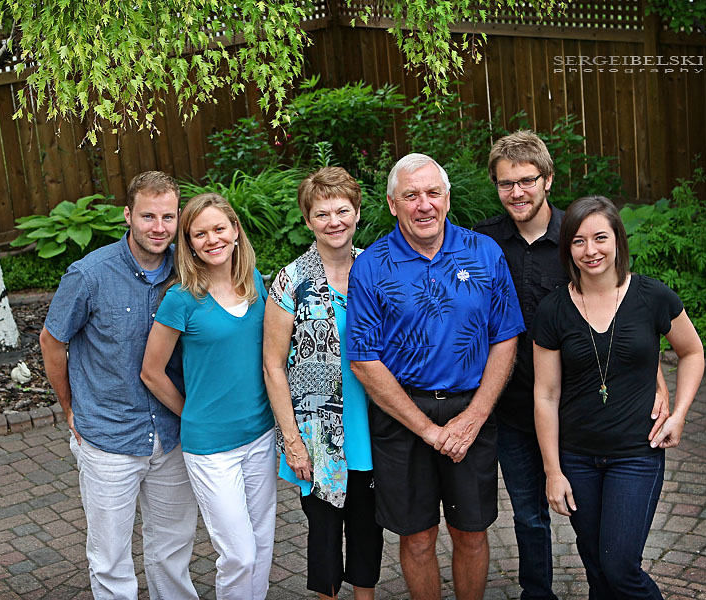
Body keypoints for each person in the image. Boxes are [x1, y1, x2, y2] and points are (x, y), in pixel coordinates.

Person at [474, 131, 670, 600]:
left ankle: (606, 584)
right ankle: (537, 593)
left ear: (547, 181)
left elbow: (628, 318)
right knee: (529, 512)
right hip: (516, 403)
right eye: (506, 184)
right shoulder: (480, 243)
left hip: (582, 411)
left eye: (526, 180)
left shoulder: (579, 238)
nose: (516, 192)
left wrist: (657, 382)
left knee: (598, 532)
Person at [347, 153, 525, 600]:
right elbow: (364, 359)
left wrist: (476, 416)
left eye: (432, 193)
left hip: (472, 410)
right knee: (418, 537)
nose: (423, 204)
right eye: (411, 195)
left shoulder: (484, 252)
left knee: (470, 532)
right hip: (402, 416)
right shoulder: (370, 265)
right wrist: (427, 429)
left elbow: (505, 337)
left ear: (447, 198)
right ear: (392, 204)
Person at [533, 195, 703, 599]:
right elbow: (545, 393)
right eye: (578, 241)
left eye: (600, 238)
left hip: (636, 455)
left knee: (620, 566)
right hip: (577, 458)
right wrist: (553, 471)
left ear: (618, 241)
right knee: (596, 568)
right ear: (567, 248)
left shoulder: (653, 297)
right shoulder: (553, 309)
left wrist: (678, 413)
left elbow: (692, 352)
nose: (590, 251)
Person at [39, 171, 198, 600]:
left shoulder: (188, 271)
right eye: (148, 216)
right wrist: (69, 408)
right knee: (110, 558)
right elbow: (52, 342)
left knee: (174, 549)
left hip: (171, 434)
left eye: (168, 216)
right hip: (108, 437)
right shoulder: (88, 275)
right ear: (128, 215)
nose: (159, 228)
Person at [140, 193, 277, 600]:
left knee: (262, 545)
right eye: (200, 233)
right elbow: (151, 371)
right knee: (238, 555)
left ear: (235, 230)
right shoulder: (180, 299)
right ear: (189, 243)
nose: (211, 239)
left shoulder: (256, 283)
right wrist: (191, 413)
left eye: (219, 228)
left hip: (260, 434)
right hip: (211, 448)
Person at [263, 167, 384, 600]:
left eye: (342, 210)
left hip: (375, 429)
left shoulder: (376, 270)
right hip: (317, 437)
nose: (334, 221)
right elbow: (273, 366)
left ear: (356, 212)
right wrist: (292, 442)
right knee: (325, 538)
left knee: (369, 534)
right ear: (308, 219)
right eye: (322, 213)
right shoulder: (291, 281)